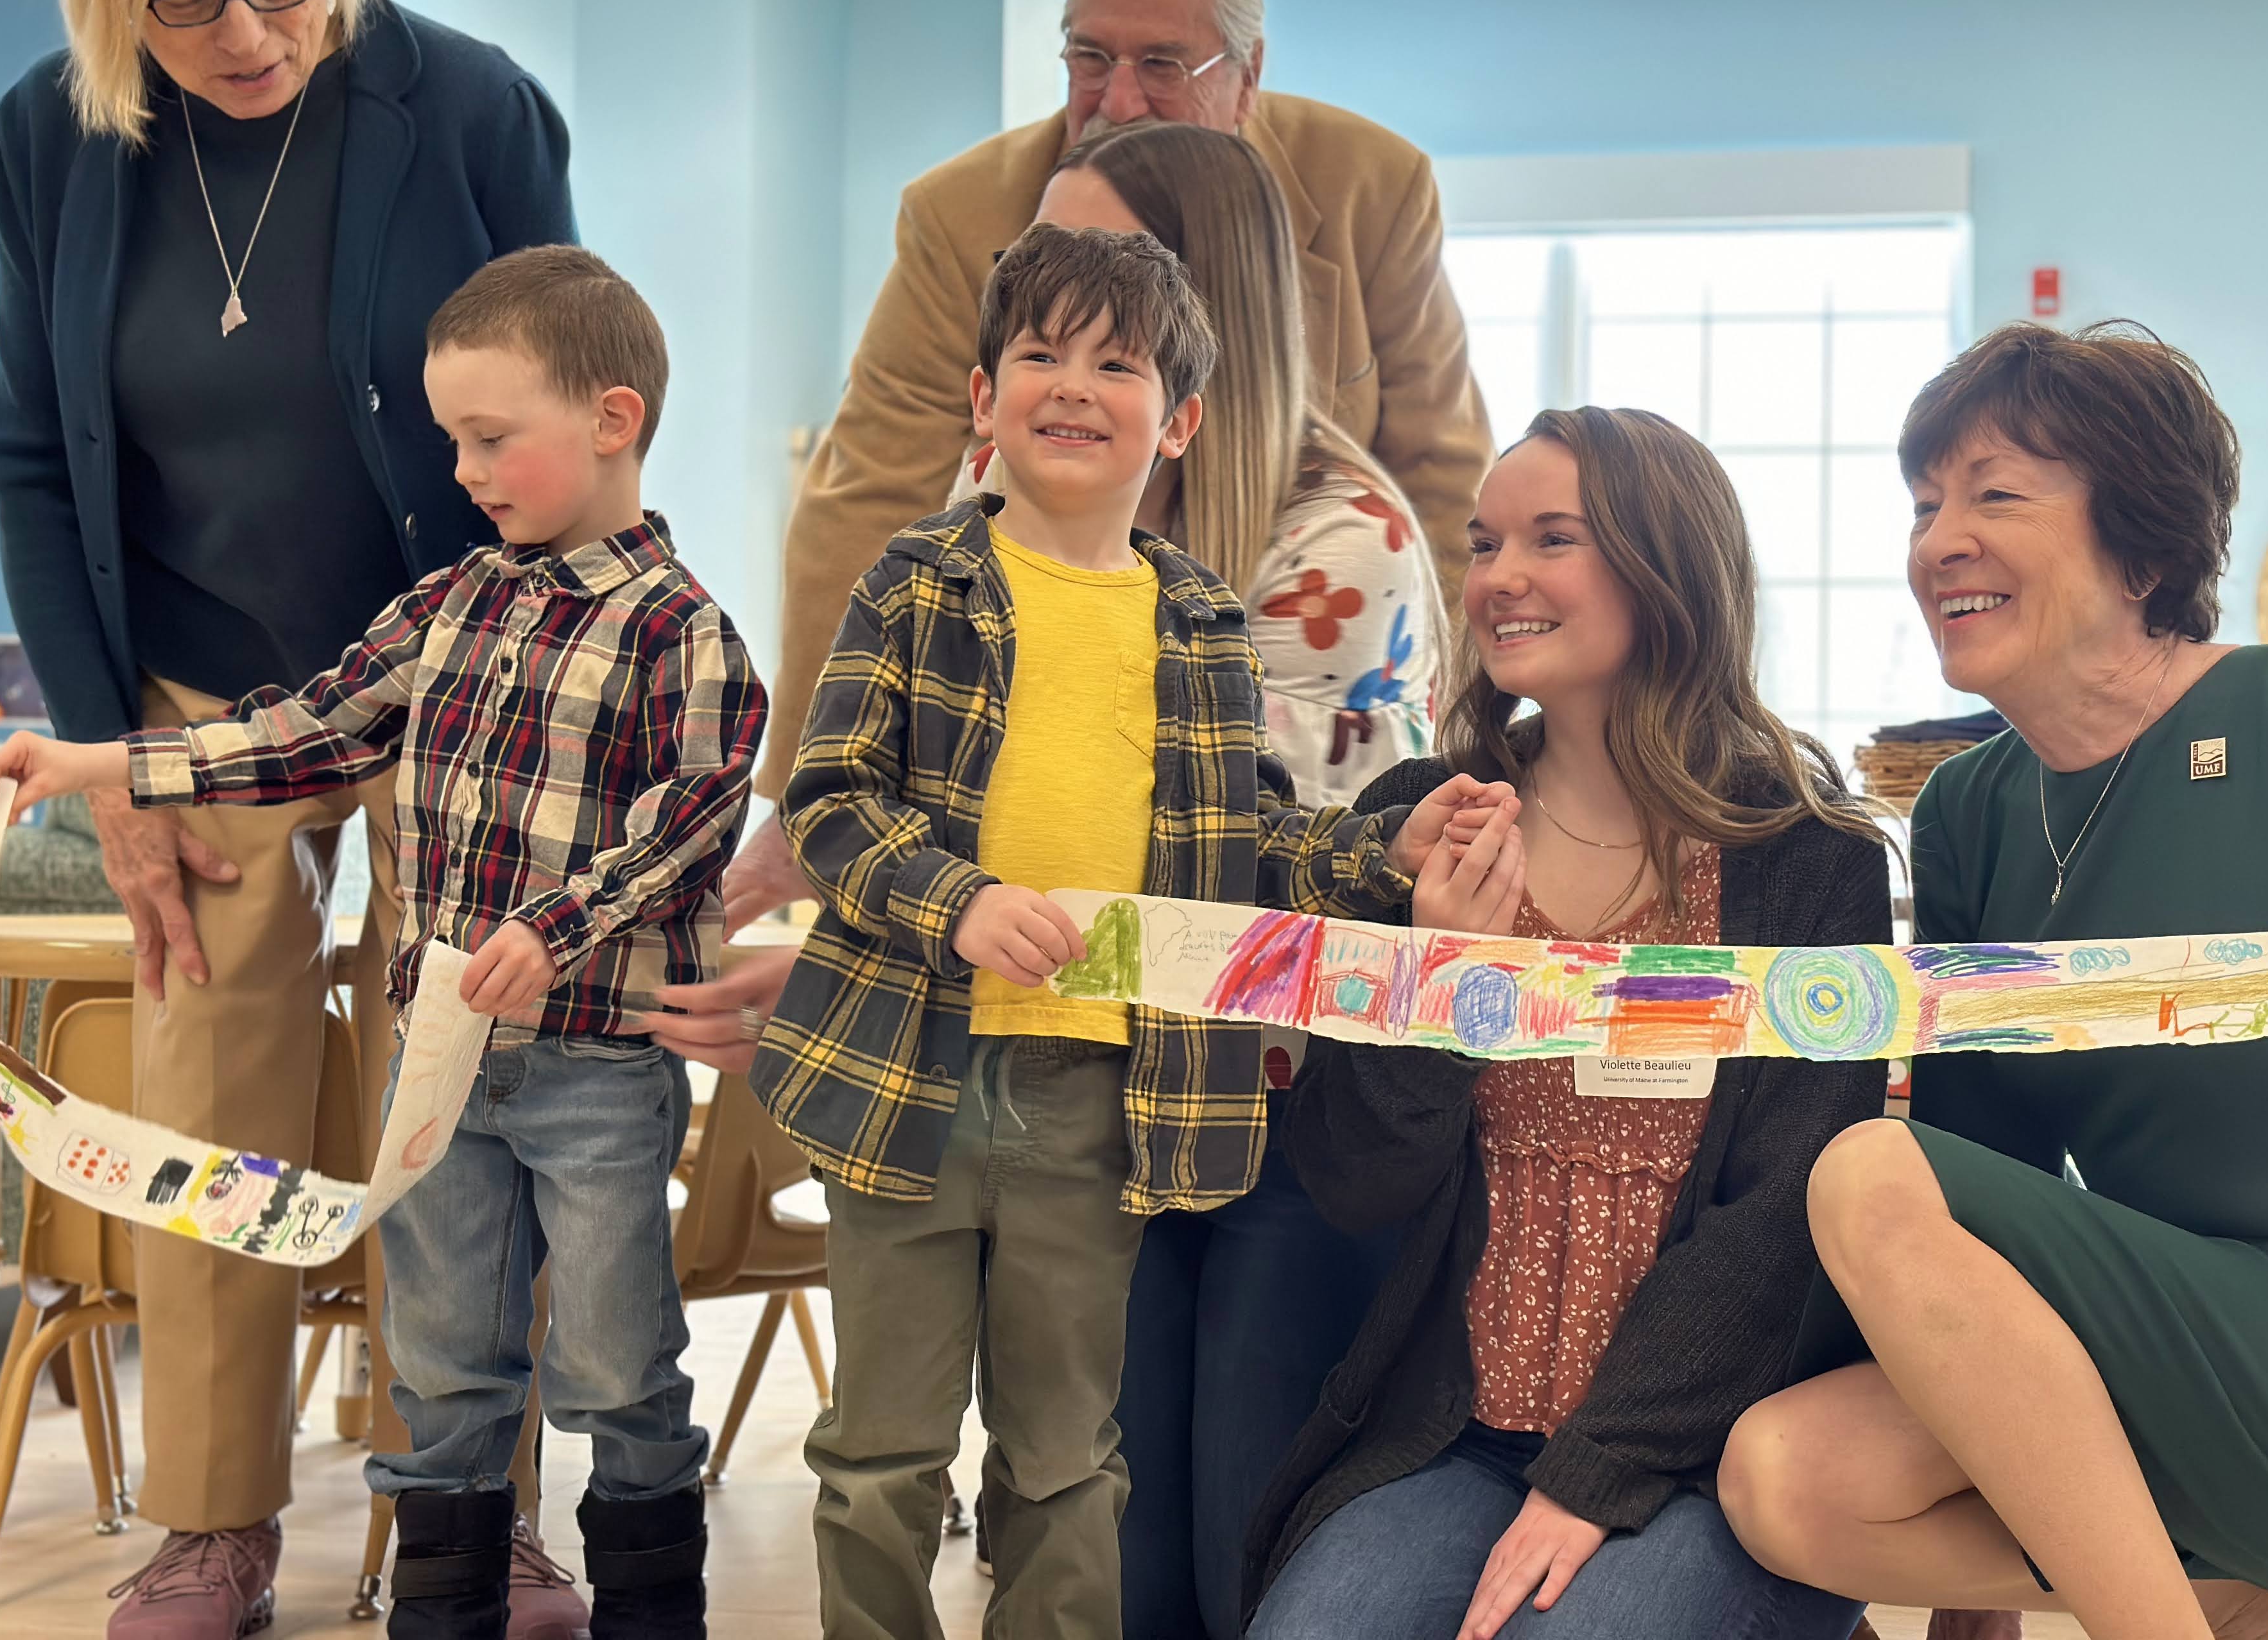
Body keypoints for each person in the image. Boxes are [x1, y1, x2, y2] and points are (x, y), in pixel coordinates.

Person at [0, 0, 576, 1634]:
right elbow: (30, 449)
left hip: (439, 670)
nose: (250, 31)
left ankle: (480, 1505)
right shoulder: (48, 139)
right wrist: (115, 767)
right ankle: (213, 1523)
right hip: (192, 685)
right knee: (202, 1090)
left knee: (459, 1084)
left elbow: (569, 421)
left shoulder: (468, 105)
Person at [0, 245, 766, 1640]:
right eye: (450, 437)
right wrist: (97, 765)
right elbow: (301, 734)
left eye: (487, 437)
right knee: (445, 1366)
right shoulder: (448, 607)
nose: (461, 470)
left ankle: (655, 1615)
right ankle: (438, 1615)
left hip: (594, 1076)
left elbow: (690, 826)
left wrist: (554, 925)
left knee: (614, 1369)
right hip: (441, 1076)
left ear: (612, 418)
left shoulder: (688, 638)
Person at [1715, 323, 2268, 1640]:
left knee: (1865, 1167)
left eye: (1997, 494)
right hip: (2183, 1366)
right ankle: (2251, 1597)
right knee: (1790, 1482)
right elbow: (1988, 1178)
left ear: (2144, 545)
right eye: (1927, 504)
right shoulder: (1974, 809)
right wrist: (1962, 1611)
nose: (1940, 542)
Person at [744, 223, 1498, 1640]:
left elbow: (1254, 845)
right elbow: (831, 801)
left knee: (1069, 1461)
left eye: (1117, 362)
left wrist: (1375, 855)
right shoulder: (916, 585)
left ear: (1182, 420)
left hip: (1103, 1106)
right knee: (879, 1461)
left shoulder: (1205, 626)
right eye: (1039, 354)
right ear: (983, 399)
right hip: (910, 1084)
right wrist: (955, 902)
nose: (1073, 385)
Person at [712, 0, 1491, 987]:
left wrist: (1491, 755)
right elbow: (864, 503)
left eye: (1164, 64)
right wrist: (817, 802)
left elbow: (1452, 479)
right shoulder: (961, 222)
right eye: (1088, 55)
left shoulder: (1370, 196)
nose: (1114, 99)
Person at [1244, 407, 1887, 1640]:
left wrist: (1594, 1477)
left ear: (1667, 567)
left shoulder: (1813, 859)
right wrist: (1442, 983)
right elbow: (1357, 1184)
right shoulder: (1423, 817)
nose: (1500, 580)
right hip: (1456, 1433)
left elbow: (1786, 1221)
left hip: (1714, 1448)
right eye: (1485, 545)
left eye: (1553, 539)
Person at [1008, 119, 1445, 1638]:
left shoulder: (1341, 542)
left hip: (1283, 1116)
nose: (1063, 323)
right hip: (1084, 1098)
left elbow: (1206, 848)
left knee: (1239, 1543)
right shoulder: (1010, 510)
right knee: (1102, 1551)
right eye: (1038, 277)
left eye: (1110, 273)